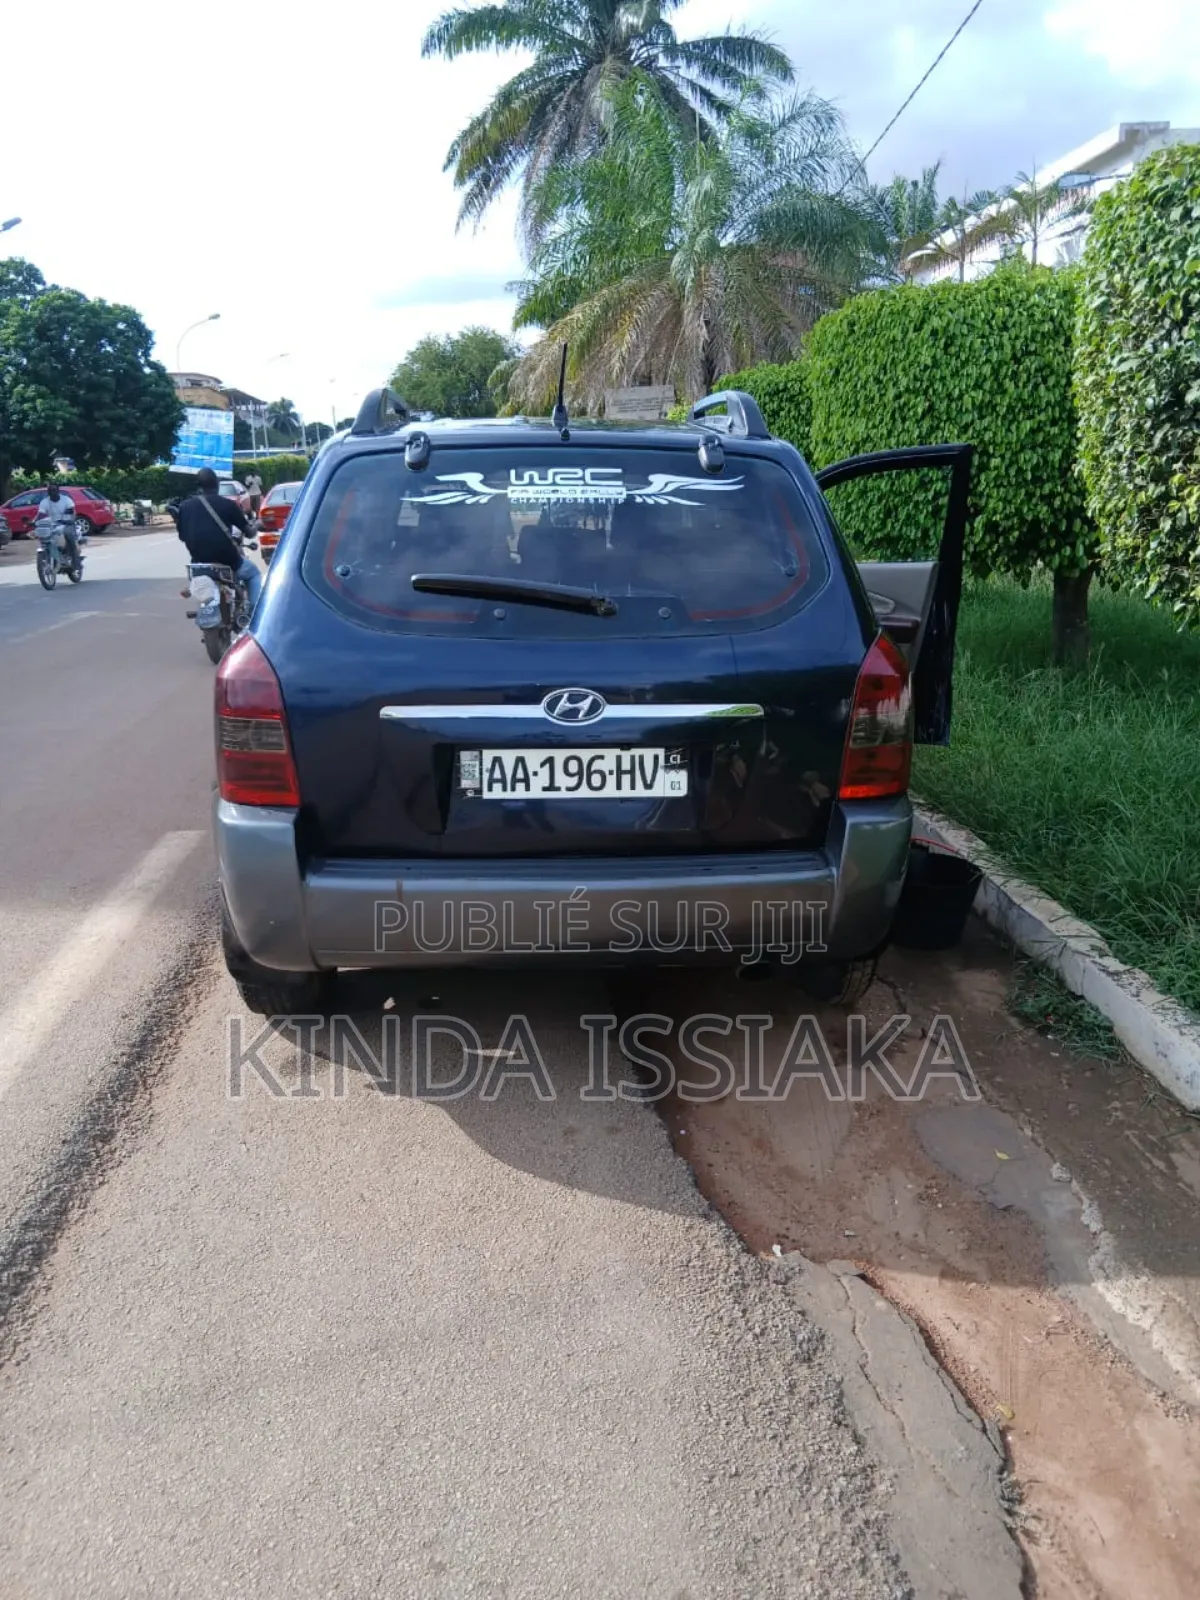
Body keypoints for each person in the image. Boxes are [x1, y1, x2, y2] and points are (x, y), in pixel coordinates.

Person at [176, 468, 262, 611]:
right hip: (228, 562)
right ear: (217, 484)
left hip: (199, 564)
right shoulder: (228, 505)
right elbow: (249, 533)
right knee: (253, 573)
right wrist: (258, 524)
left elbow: (182, 536)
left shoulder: (185, 507)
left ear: (198, 486)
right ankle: (255, 612)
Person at [34, 483, 81, 570]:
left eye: (54, 490)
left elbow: (71, 513)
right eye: (50, 491)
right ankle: (52, 555)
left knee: (68, 535)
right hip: (52, 525)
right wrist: (34, 522)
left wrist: (68, 520)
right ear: (48, 492)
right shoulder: (44, 502)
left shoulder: (66, 500)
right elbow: (40, 514)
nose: (52, 492)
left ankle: (76, 563)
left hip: (67, 524)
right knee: (43, 535)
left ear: (58, 491)